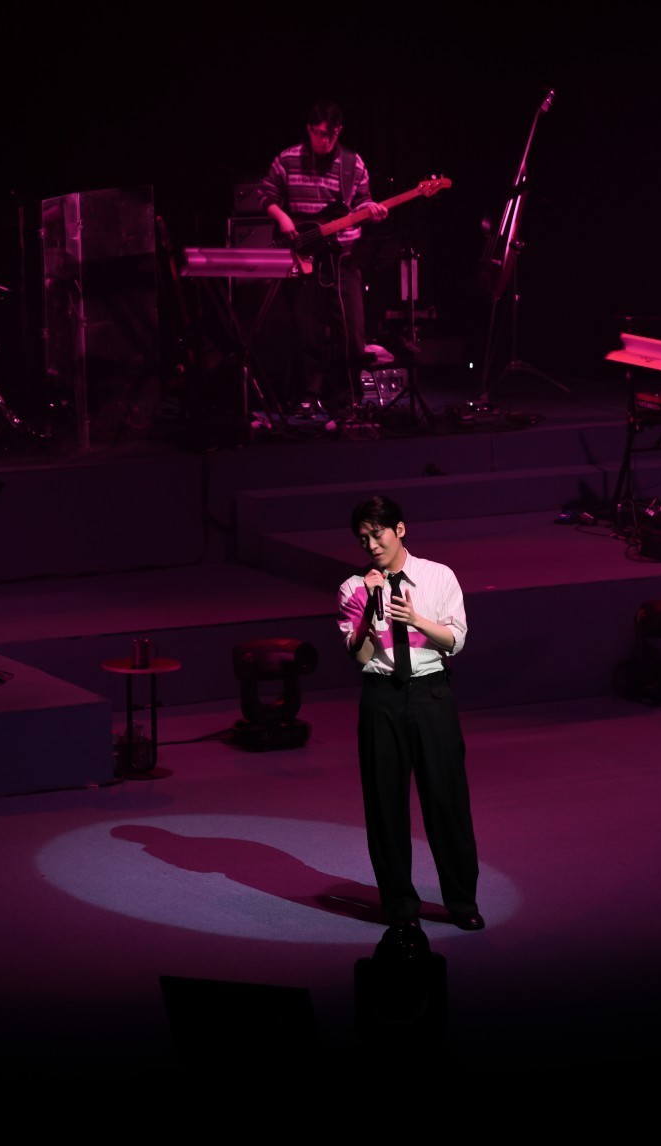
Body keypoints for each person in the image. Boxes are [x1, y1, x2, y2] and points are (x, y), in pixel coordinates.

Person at [337, 496, 484, 931]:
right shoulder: (352, 587)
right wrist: (370, 606)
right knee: (385, 806)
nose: (371, 545)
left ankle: (462, 902)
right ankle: (400, 906)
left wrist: (417, 620)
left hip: (431, 694)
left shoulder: (439, 576)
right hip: (381, 699)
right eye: (362, 539)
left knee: (446, 800)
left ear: (399, 530)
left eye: (377, 534)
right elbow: (360, 656)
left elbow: (456, 641)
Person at [264, 101, 388, 419]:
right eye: (319, 134)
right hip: (306, 256)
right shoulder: (288, 159)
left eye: (331, 135)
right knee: (308, 331)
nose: (325, 141)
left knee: (352, 332)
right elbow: (266, 194)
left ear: (339, 131)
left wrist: (371, 209)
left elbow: (362, 201)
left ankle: (348, 396)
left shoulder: (353, 163)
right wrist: (283, 218)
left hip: (343, 257)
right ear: (309, 130)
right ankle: (309, 395)